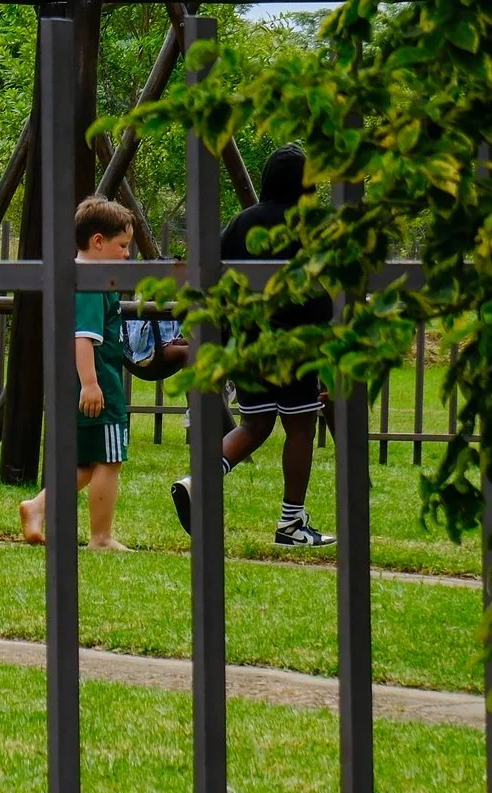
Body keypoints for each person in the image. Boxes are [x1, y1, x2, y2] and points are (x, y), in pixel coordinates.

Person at [171, 145, 337, 547]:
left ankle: (199, 480)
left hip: (247, 342)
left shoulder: (242, 222)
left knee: (256, 422)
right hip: (295, 345)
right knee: (300, 426)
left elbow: (214, 276)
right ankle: (291, 523)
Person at [18, 196, 137, 550]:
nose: (127, 255)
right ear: (98, 241)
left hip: (82, 382)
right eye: (122, 246)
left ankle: (37, 506)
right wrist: (91, 384)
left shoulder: (78, 275)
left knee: (85, 463)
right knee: (111, 460)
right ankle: (101, 537)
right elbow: (83, 336)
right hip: (99, 383)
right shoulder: (91, 282)